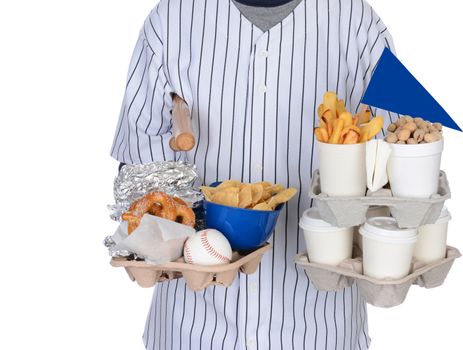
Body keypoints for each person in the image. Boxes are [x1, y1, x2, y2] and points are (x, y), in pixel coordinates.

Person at [111, 0, 398, 348]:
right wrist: (149, 250)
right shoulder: (171, 21)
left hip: (319, 326)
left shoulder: (356, 23)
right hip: (194, 325)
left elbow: (396, 158)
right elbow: (141, 177)